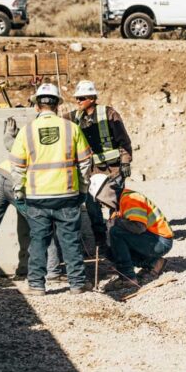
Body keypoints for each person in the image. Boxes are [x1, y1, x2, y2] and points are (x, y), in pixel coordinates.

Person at [10, 83, 93, 296]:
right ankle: (77, 284)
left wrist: (19, 191)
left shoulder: (27, 131)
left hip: (37, 196)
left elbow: (17, 166)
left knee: (38, 241)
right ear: (57, 105)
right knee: (70, 239)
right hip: (67, 194)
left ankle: (37, 285)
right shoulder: (71, 128)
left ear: (38, 106)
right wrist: (83, 188)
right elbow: (85, 162)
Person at [0, 117, 64, 288]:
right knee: (43, 225)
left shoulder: (27, 143)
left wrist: (8, 134)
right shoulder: (48, 150)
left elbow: (10, 145)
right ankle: (54, 272)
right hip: (14, 183)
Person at [66, 80, 132, 248]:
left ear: (92, 98)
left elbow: (123, 140)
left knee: (115, 205)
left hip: (113, 170)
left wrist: (125, 162)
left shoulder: (109, 114)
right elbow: (54, 120)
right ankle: (100, 238)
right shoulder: (74, 117)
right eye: (77, 98)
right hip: (91, 172)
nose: (78, 101)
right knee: (91, 205)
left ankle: (117, 237)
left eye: (82, 98)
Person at [88, 173, 173, 291]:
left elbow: (139, 228)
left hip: (161, 241)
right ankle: (154, 263)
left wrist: (116, 223)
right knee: (110, 251)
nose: (102, 204)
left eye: (100, 200)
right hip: (152, 239)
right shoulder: (118, 205)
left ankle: (128, 278)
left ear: (105, 193)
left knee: (115, 233)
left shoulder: (130, 198)